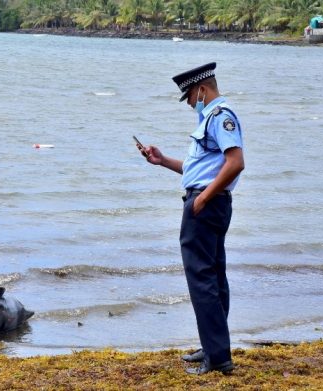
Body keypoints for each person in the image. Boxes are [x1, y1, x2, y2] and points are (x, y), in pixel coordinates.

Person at [137, 62, 244, 375]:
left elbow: (236, 163)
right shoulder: (209, 117)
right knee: (213, 275)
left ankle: (219, 358)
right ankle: (213, 346)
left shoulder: (220, 116)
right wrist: (162, 161)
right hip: (207, 201)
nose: (187, 103)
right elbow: (201, 170)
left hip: (206, 205)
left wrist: (203, 199)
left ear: (201, 90)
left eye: (188, 97)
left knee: (202, 280)